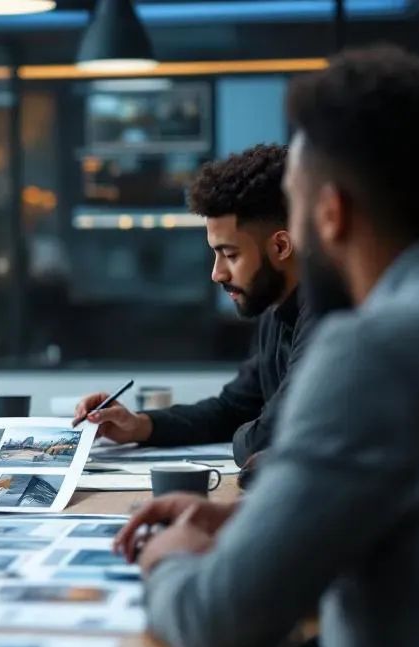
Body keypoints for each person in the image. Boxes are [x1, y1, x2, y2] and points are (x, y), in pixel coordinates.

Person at [118, 46, 419, 647]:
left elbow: (216, 622)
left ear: (328, 213)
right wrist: (244, 515)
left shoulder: (378, 348)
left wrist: (168, 562)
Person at [69, 144, 310, 466]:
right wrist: (138, 425)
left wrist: (251, 434)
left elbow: (263, 439)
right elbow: (233, 410)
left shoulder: (330, 317)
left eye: (230, 254)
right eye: (215, 254)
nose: (216, 273)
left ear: (280, 246)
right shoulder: (275, 311)